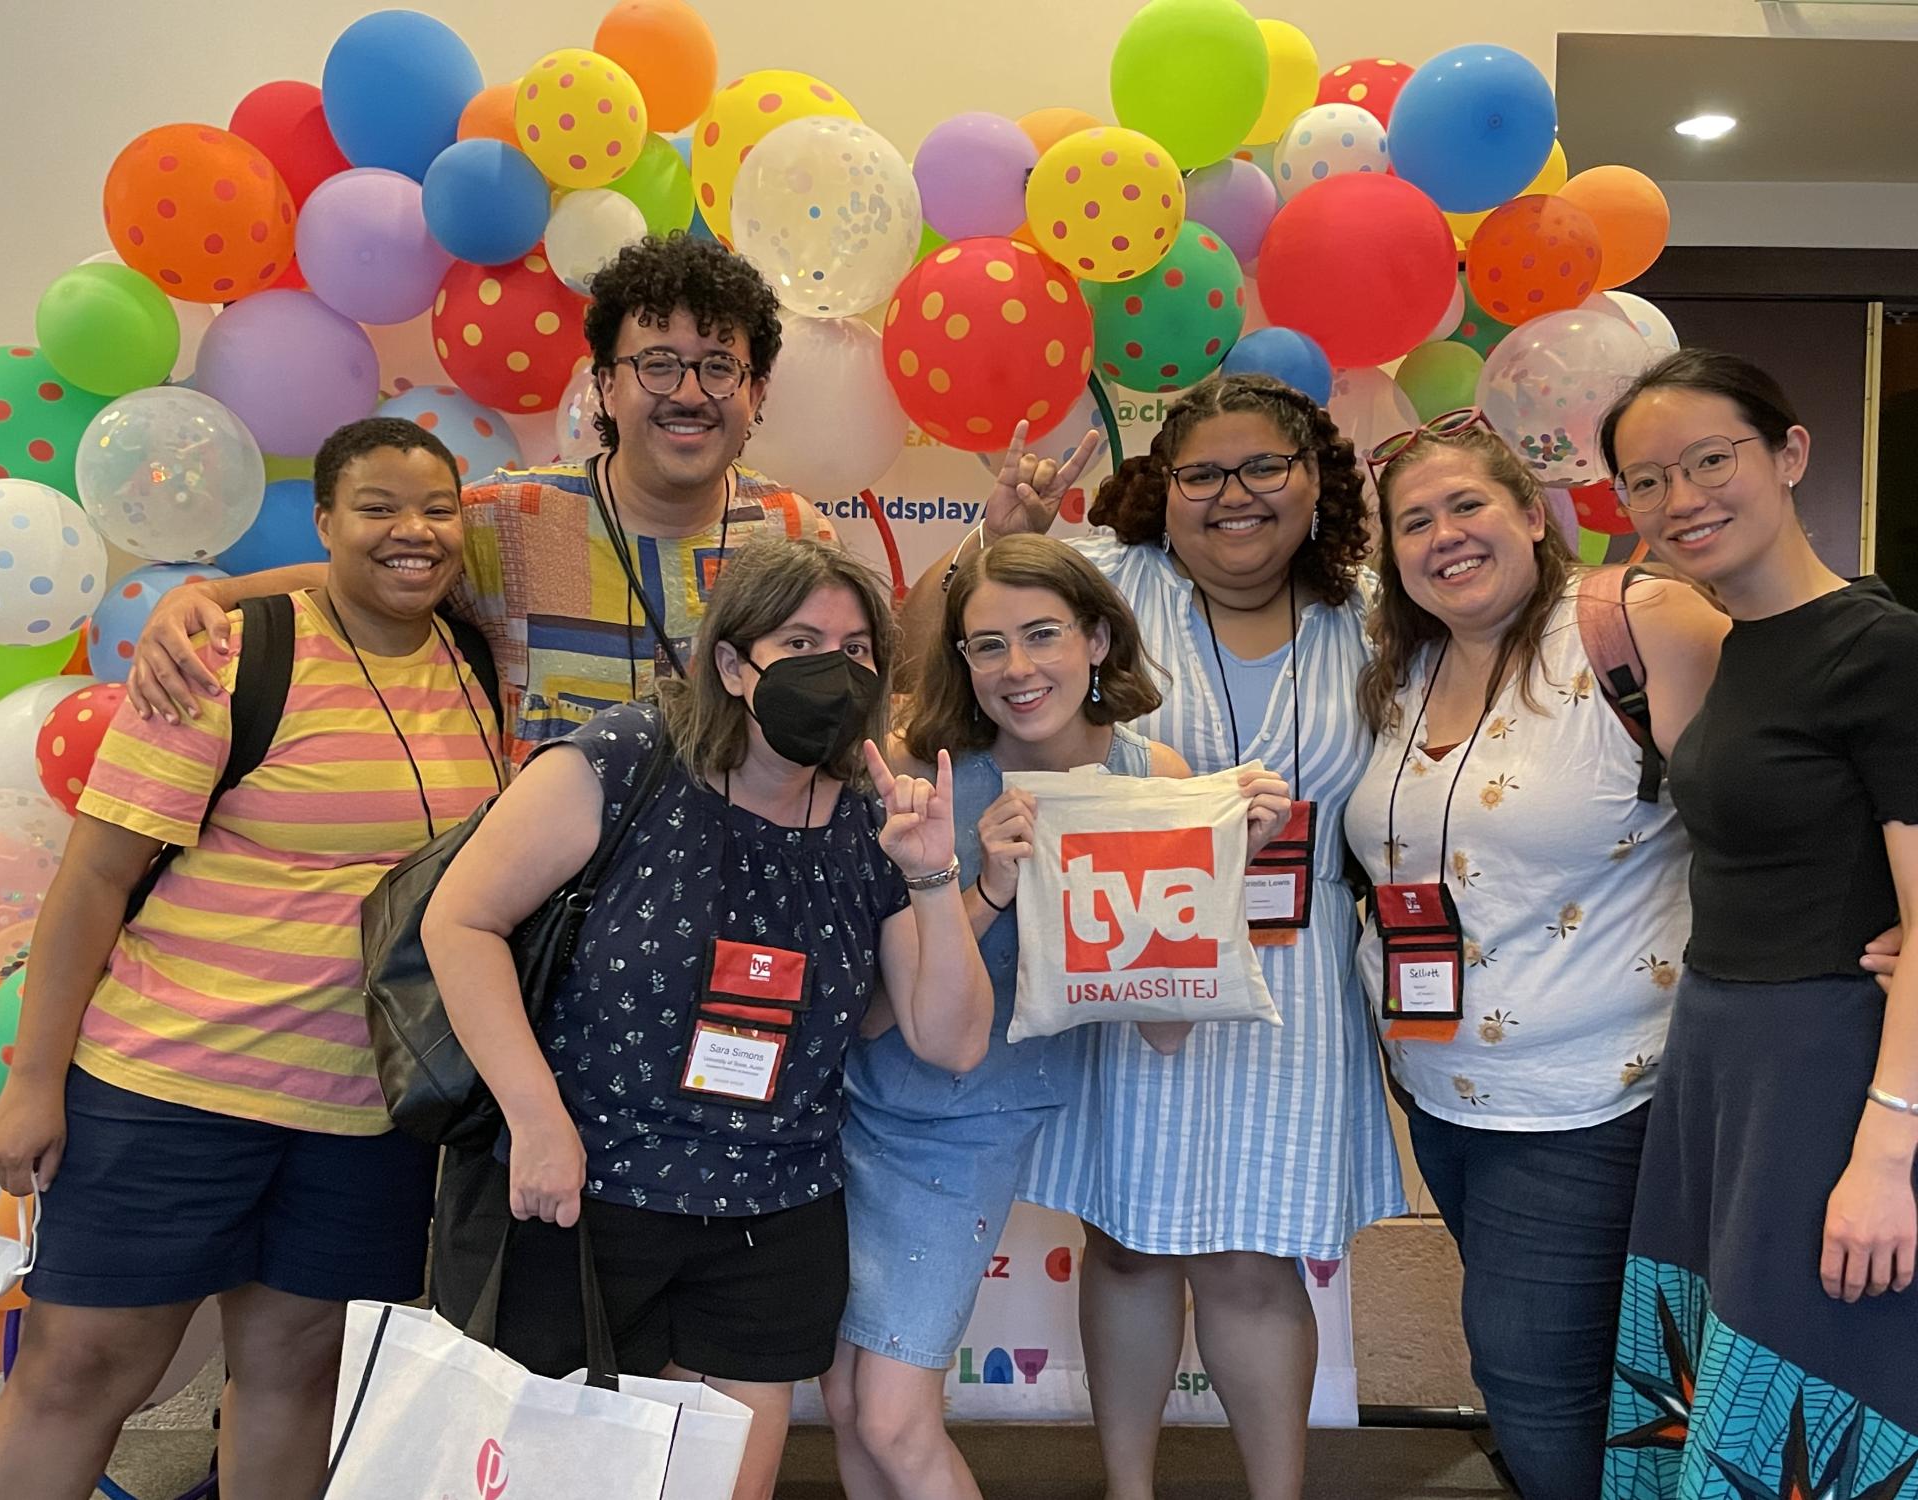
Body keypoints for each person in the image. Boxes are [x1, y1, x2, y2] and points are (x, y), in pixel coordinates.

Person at [0, 418, 503, 1500]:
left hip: (364, 1121)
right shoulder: (228, 654)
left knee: (297, 1375)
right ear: (322, 522)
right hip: (172, 1088)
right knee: (85, 1370)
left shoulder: (476, 654)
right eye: (377, 508)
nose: (413, 533)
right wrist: (31, 1083)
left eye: (437, 509)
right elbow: (93, 880)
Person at [905, 374, 1407, 1500]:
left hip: (1293, 967)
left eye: (1261, 468)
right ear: (1161, 491)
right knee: (1129, 1240)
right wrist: (992, 538)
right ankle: (1125, 1490)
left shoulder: (1368, 611)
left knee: (1252, 1253)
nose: (1232, 496)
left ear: (1314, 478)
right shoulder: (1106, 578)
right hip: (1126, 951)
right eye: (1200, 476)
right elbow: (943, 646)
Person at [419, 535, 993, 1500]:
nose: (835, 669)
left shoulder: (869, 812)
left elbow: (952, 1039)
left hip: (774, 1213)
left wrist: (933, 875)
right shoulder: (625, 760)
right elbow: (461, 919)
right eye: (802, 639)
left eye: (858, 651)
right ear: (732, 664)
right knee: (559, 1480)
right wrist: (535, 1117)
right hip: (588, 1194)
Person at [124, 235, 1086, 754]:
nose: (688, 392)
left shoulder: (792, 531)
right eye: (658, 362)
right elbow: (359, 583)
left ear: (756, 396)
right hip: (542, 919)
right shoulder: (509, 516)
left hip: (723, 901)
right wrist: (202, 596)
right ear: (609, 385)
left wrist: (987, 547)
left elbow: (894, 672)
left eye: (720, 366)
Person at [820, 532, 1296, 1500]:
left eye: (1040, 633)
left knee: (885, 1412)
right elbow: (870, 1009)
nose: (1016, 668)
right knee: (842, 1401)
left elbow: (1163, 1028)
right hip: (850, 1112)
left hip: (962, 1130)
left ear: (1093, 638)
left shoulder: (1150, 775)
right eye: (985, 644)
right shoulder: (925, 772)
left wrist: (1212, 870)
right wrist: (980, 886)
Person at [1343, 414, 1727, 1500]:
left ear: (1529, 512)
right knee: (1575, 1370)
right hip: (1442, 1093)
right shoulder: (1401, 666)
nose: (1442, 536)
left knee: (1529, 1372)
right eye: (1412, 521)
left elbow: (1774, 801)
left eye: (1466, 504)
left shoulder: (1635, 623)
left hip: (1592, 1097)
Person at [1595, 351, 1918, 1498]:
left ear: (1787, 455)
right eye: (1645, 480)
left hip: (1824, 1074)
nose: (1679, 497)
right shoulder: (1733, 649)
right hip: (1718, 1063)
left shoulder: (1875, 648)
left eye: (1709, 459)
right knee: (1713, 1383)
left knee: (1812, 1384)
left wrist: (1886, 1153)